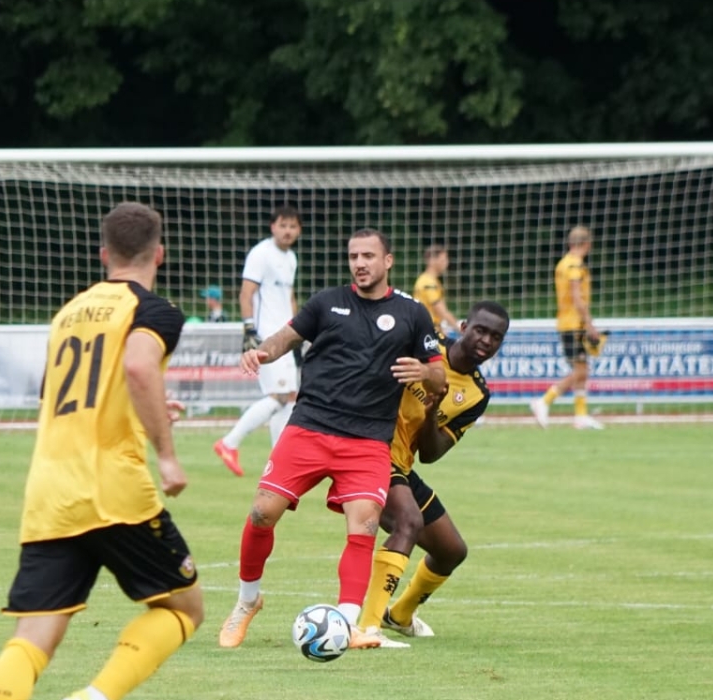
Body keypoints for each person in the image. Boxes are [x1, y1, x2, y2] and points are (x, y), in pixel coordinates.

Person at [0, 203, 201, 700]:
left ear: (103, 255)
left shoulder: (69, 313)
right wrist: (166, 453)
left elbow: (69, 397)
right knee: (185, 607)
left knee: (32, 639)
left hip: (50, 490)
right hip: (113, 487)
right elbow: (138, 365)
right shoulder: (154, 311)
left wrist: (149, 409)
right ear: (159, 253)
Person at [217, 228, 445, 651]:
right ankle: (247, 601)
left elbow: (440, 375)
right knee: (263, 512)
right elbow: (285, 337)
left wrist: (425, 372)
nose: (360, 263)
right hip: (310, 426)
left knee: (365, 523)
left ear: (388, 261)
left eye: (368, 256)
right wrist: (262, 353)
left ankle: (346, 623)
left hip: (368, 439)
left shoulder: (412, 313)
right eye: (354, 256)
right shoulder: (327, 302)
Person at [363, 302, 510, 642]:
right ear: (464, 326)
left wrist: (431, 413)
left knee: (451, 551)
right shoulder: (426, 345)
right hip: (372, 452)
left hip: (402, 465)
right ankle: (368, 627)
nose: (486, 341)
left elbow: (430, 454)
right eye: (481, 330)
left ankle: (399, 616)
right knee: (408, 522)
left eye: (495, 337)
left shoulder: (477, 394)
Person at [214, 204, 302, 474]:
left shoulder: (291, 258)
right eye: (283, 225)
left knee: (290, 396)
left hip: (285, 337)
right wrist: (250, 330)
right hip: (267, 337)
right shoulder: (261, 253)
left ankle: (279, 461)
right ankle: (229, 443)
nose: (287, 231)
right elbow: (246, 293)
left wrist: (299, 331)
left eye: (292, 226)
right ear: (273, 227)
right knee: (279, 395)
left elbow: (289, 297)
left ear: (298, 230)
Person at [529, 226, 602, 430]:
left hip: (566, 322)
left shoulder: (562, 264)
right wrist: (589, 324)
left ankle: (581, 416)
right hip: (574, 324)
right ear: (587, 244)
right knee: (580, 370)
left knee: (582, 369)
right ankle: (544, 400)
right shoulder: (576, 265)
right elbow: (577, 298)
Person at [413, 244, 458, 333]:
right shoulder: (429, 283)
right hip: (430, 331)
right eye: (443, 260)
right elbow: (442, 311)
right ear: (432, 261)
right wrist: (461, 329)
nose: (446, 263)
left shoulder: (426, 279)